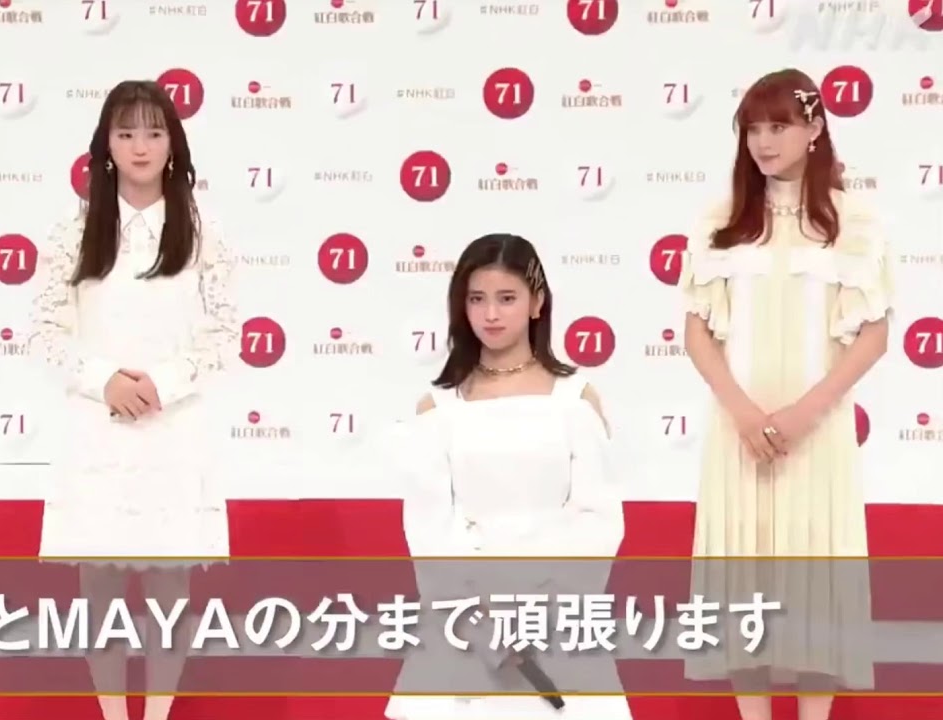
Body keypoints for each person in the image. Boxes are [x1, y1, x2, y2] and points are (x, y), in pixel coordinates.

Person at [27, 79, 238, 720]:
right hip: (98, 428)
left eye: (153, 132)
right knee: (100, 590)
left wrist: (162, 385)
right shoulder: (74, 230)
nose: (140, 146)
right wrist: (106, 382)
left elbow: (224, 333)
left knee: (172, 586)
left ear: (174, 144)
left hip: (174, 429)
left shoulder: (202, 230)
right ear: (106, 146)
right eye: (125, 133)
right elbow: (45, 334)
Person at [679, 68, 887, 720]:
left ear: (814, 128)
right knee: (745, 583)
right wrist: (743, 414)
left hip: (816, 435)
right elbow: (695, 332)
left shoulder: (854, 220)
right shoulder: (721, 220)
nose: (764, 142)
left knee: (814, 584)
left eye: (779, 126)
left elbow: (874, 336)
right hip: (737, 434)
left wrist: (803, 414)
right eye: (752, 129)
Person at [378, 234, 632, 720]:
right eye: (477, 299)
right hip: (463, 626)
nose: (490, 314)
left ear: (537, 303)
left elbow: (598, 521)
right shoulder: (438, 407)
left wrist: (538, 612)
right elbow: (429, 532)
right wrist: (484, 624)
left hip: (558, 623)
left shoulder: (575, 399)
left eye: (507, 298)